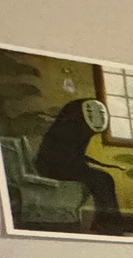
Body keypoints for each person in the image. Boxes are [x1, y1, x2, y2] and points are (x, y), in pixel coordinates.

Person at [32, 98, 125, 230]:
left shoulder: (73, 132)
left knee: (104, 179)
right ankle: (107, 223)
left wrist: (105, 165)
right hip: (54, 168)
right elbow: (63, 156)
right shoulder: (64, 133)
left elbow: (76, 155)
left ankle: (107, 222)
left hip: (67, 166)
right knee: (102, 180)